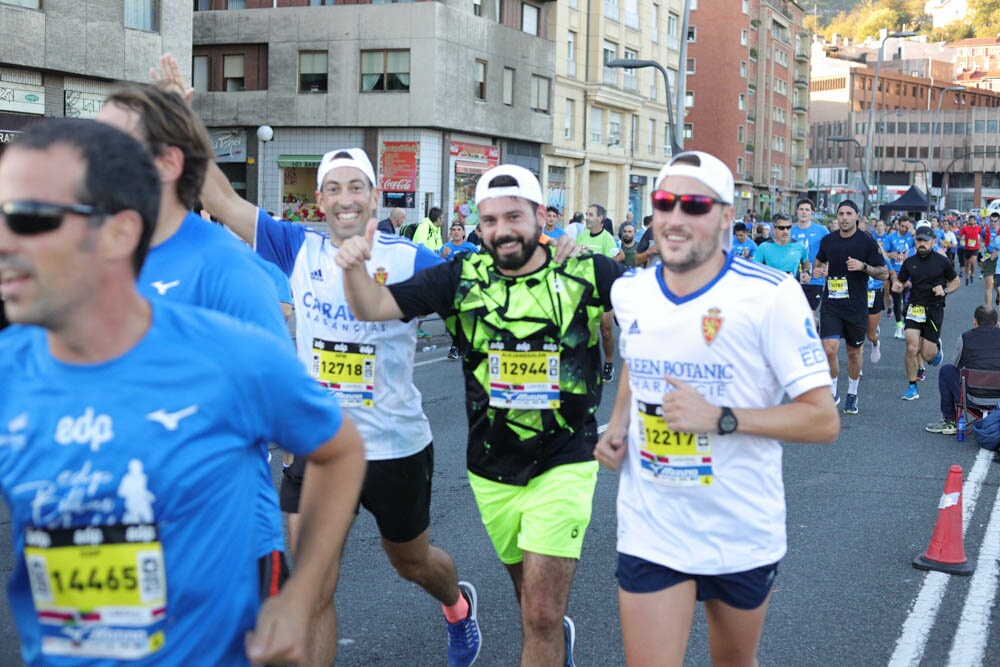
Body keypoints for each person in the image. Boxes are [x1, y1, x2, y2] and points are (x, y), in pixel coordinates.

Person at [0, 117, 366, 666]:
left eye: (32, 218)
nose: (7, 242)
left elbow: (338, 448)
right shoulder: (10, 370)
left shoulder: (231, 352)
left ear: (121, 232)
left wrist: (300, 595)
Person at [201, 147, 482, 667]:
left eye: (357, 187)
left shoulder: (408, 258)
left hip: (394, 444)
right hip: (319, 442)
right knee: (313, 589)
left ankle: (457, 604)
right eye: (334, 187)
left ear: (374, 196)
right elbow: (217, 195)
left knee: (412, 561)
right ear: (319, 199)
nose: (346, 198)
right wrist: (177, 115)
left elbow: (481, 291)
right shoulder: (295, 245)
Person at [335, 164, 626, 667]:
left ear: (540, 216)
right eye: (490, 220)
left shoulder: (584, 271)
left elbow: (661, 312)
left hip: (566, 458)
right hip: (492, 466)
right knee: (529, 599)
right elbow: (373, 307)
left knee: (537, 611)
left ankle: (548, 632)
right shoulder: (461, 276)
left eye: (514, 216)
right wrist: (353, 267)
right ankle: (555, 637)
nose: (502, 230)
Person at [594, 150, 839, 667]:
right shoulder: (631, 291)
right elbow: (638, 364)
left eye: (695, 205)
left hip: (740, 529)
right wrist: (618, 425)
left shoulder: (771, 296)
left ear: (726, 217)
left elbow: (822, 418)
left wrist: (723, 417)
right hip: (652, 525)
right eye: (665, 203)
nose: (676, 218)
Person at [95, 82, 296, 610]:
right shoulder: (92, 260)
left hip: (222, 546)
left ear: (164, 164)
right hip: (113, 539)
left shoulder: (225, 268)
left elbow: (305, 425)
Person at [813, 199, 889, 414]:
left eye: (848, 213)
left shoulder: (866, 242)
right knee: (829, 348)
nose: (844, 217)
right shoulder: (828, 241)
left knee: (854, 353)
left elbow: (883, 273)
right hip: (831, 304)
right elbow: (819, 262)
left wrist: (863, 266)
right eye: (841, 213)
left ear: (857, 216)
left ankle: (852, 393)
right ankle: (832, 391)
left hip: (856, 305)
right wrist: (820, 270)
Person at [893, 223, 960, 400]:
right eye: (919, 240)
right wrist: (898, 285)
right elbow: (900, 282)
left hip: (934, 309)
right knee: (911, 347)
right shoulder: (909, 263)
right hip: (914, 307)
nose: (921, 243)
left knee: (928, 354)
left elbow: (956, 282)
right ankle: (912, 386)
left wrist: (944, 290)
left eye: (925, 241)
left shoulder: (942, 261)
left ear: (932, 241)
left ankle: (936, 350)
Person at [926, 305, 1000, 434]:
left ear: (974, 321)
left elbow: (956, 366)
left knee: (947, 370)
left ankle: (950, 420)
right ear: (997, 323)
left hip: (974, 397)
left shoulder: (965, 338)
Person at [581, 203, 624, 382]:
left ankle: (608, 362)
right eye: (586, 214)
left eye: (591, 214)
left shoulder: (607, 238)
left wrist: (603, 264)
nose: (587, 217)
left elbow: (620, 256)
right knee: (584, 331)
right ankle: (587, 364)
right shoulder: (582, 236)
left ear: (601, 218)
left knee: (606, 330)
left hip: (605, 289)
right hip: (587, 290)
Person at [789, 198, 828, 312]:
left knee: (809, 313)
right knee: (795, 315)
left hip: (815, 280)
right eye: (801, 209)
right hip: (794, 279)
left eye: (807, 209)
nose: (804, 212)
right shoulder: (790, 230)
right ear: (797, 212)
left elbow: (831, 251)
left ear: (812, 212)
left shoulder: (821, 230)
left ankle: (813, 327)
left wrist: (825, 267)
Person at [884, 216, 915, 340]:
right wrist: (891, 254)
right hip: (896, 274)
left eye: (907, 226)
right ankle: (898, 325)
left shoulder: (912, 238)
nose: (905, 229)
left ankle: (907, 324)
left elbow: (919, 249)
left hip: (909, 274)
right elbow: (884, 253)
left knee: (908, 302)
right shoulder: (891, 238)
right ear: (898, 225)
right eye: (902, 226)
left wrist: (913, 232)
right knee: (897, 300)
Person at [753, 212, 809, 279]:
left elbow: (805, 263)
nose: (785, 231)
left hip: (792, 288)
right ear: (773, 229)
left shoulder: (800, 246)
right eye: (781, 228)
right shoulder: (764, 247)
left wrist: (806, 272)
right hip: (771, 288)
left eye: (788, 227)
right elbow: (754, 269)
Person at [960, 214, 981, 285]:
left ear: (975, 221)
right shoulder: (965, 228)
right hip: (967, 248)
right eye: (970, 220)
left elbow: (982, 236)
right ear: (968, 221)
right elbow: (960, 235)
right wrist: (961, 238)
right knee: (967, 263)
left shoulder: (978, 228)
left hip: (975, 248)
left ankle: (972, 274)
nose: (972, 221)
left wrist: (981, 243)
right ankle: (967, 277)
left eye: (973, 220)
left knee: (972, 262)